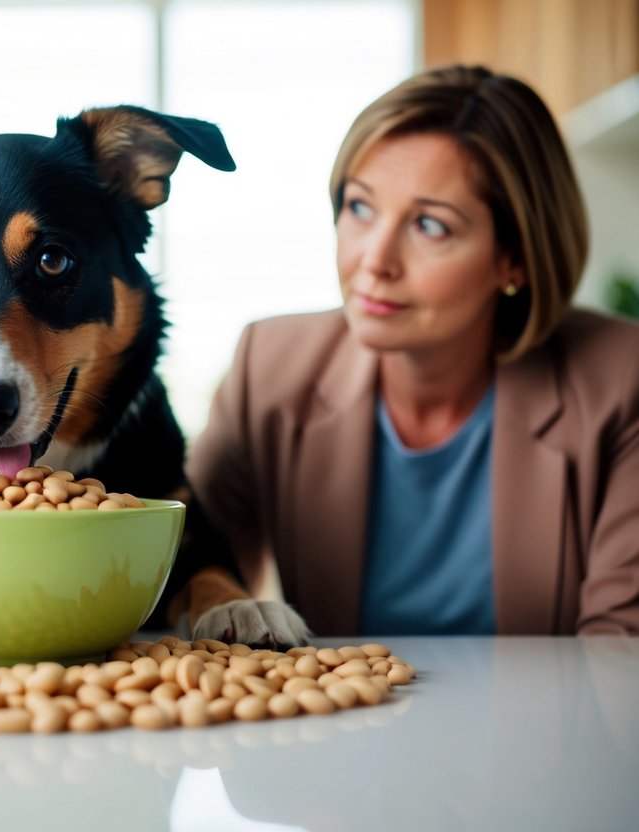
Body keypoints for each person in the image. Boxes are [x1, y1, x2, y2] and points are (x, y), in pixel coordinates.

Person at [187, 64, 639, 637]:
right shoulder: (270, 365)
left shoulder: (622, 377)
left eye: (429, 225)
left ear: (515, 258)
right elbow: (186, 573)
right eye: (360, 207)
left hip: (550, 726)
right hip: (344, 721)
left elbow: (623, 657)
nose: (374, 260)